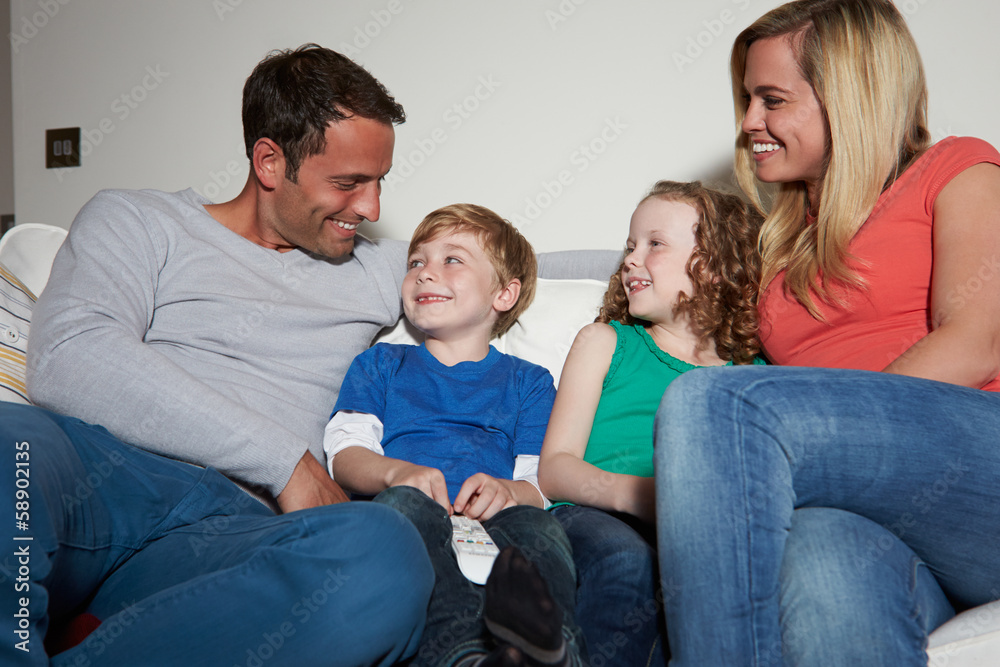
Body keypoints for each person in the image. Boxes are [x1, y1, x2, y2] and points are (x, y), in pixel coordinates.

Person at [5, 44, 441, 666]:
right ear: (270, 161)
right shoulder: (139, 220)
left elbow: (512, 267)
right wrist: (285, 461)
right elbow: (72, 354)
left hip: (236, 532)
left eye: (380, 184)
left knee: (386, 552)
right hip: (105, 480)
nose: (370, 209)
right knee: (10, 442)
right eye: (348, 183)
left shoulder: (385, 266)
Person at [652, 1, 1000, 665]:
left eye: (771, 99)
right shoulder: (781, 248)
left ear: (848, 96)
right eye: (748, 99)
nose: (750, 122)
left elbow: (976, 341)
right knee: (822, 561)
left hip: (979, 466)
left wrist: (821, 437)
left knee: (712, 401)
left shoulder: (959, 169)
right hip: (886, 524)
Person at [326, 204, 586, 667]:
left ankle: (555, 652)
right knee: (398, 514)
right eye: (416, 262)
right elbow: (345, 453)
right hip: (411, 507)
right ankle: (464, 657)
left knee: (540, 529)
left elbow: (541, 482)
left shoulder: (529, 380)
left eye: (452, 260)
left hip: (498, 517)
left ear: (504, 294)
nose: (425, 274)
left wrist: (508, 491)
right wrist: (395, 473)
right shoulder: (381, 363)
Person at [538, 180, 764, 667]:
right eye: (629, 246)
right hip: (596, 517)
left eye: (654, 244)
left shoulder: (754, 374)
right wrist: (639, 496)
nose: (631, 259)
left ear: (714, 265)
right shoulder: (606, 342)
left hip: (694, 532)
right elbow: (555, 468)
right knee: (627, 562)